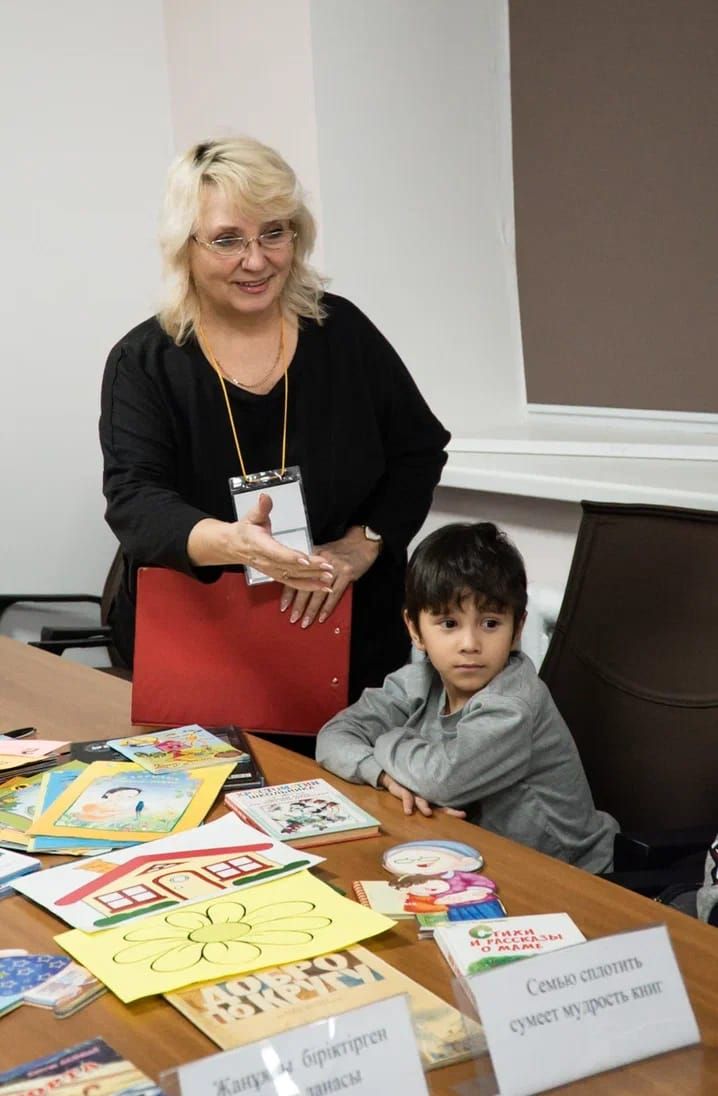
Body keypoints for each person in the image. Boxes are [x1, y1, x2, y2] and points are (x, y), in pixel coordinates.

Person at [99, 137, 449, 709]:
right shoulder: (143, 362)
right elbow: (135, 503)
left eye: (273, 233)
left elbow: (419, 450)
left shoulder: (344, 334)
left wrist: (366, 542)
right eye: (227, 240)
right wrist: (236, 544)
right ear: (185, 247)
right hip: (199, 645)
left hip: (348, 645)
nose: (257, 260)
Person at [316, 522, 619, 872]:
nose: (470, 644)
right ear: (415, 629)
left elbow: (442, 781)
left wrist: (387, 740)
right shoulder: (418, 682)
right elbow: (332, 737)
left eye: (490, 623)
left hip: (571, 876)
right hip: (483, 858)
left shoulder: (513, 703)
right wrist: (383, 775)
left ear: (517, 629)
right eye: (449, 624)